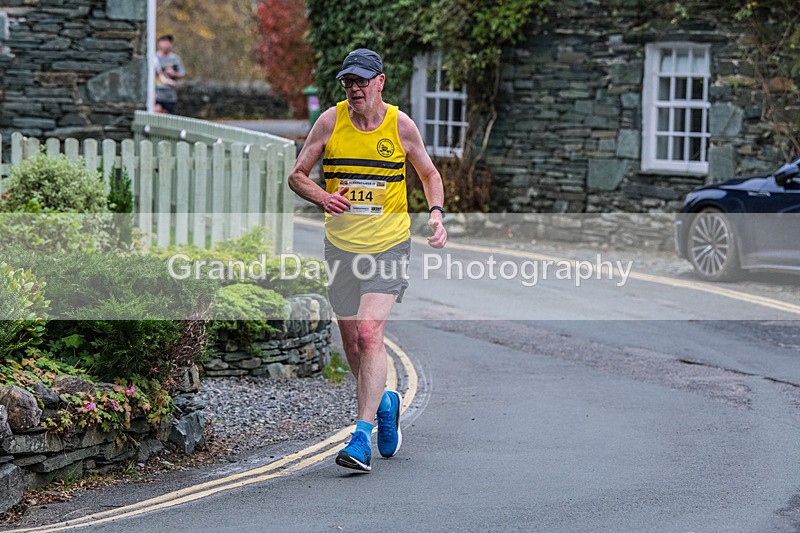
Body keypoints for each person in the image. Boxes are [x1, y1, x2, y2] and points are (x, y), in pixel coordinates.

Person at [287, 48, 447, 473]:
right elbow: (297, 175)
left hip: (388, 245)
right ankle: (386, 402)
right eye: (348, 82)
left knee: (371, 333)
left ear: (380, 82)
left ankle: (360, 436)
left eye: (362, 81)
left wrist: (435, 216)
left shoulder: (400, 125)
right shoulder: (330, 121)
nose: (354, 88)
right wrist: (323, 196)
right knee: (353, 342)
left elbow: (429, 174)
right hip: (341, 248)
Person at [154, 34, 185, 114]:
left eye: (167, 43)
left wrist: (174, 73)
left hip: (170, 95)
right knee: (157, 112)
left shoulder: (175, 59)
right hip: (157, 93)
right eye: (163, 42)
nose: (166, 45)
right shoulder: (154, 58)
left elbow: (182, 74)